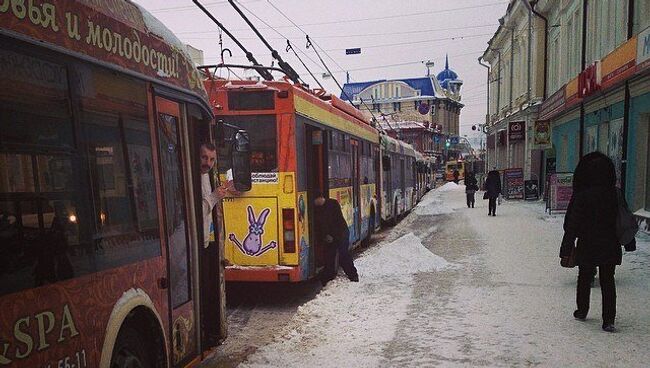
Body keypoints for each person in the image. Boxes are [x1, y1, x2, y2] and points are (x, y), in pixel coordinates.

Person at [560, 151, 635, 333]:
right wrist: (629, 242)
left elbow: (572, 223)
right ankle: (608, 319)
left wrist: (566, 248)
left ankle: (582, 310)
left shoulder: (582, 195)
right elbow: (623, 219)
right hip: (610, 243)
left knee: (585, 277)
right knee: (608, 280)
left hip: (587, 243)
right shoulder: (614, 194)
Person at [314, 192, 359, 285]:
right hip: (329, 237)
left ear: (320, 198)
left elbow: (338, 222)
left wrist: (332, 236)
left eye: (315, 201)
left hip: (341, 233)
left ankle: (353, 275)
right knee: (329, 256)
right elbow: (318, 227)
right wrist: (323, 237)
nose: (314, 203)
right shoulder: (316, 209)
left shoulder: (333, 204)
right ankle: (327, 278)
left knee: (343, 255)